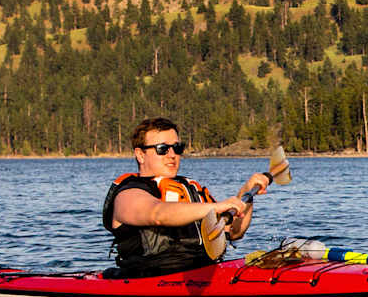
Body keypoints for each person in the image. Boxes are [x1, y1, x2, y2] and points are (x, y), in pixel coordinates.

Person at [101, 118, 270, 276]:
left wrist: (246, 195)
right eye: (162, 149)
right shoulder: (128, 194)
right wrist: (215, 207)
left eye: (177, 148)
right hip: (150, 279)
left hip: (202, 274)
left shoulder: (188, 190)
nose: (172, 155)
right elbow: (158, 214)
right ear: (140, 154)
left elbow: (234, 232)